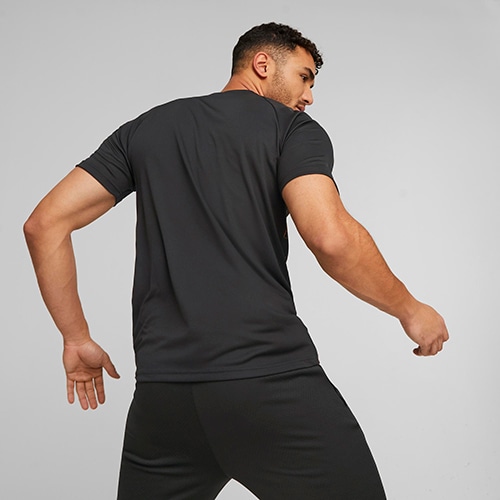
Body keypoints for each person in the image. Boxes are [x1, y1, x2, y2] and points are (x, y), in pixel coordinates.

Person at [24, 22, 448, 500]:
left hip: (164, 398)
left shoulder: (147, 129)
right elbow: (330, 238)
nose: (309, 96)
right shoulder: (291, 130)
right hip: (266, 383)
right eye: (304, 77)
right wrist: (410, 309)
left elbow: (44, 224)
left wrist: (76, 338)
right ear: (262, 64)